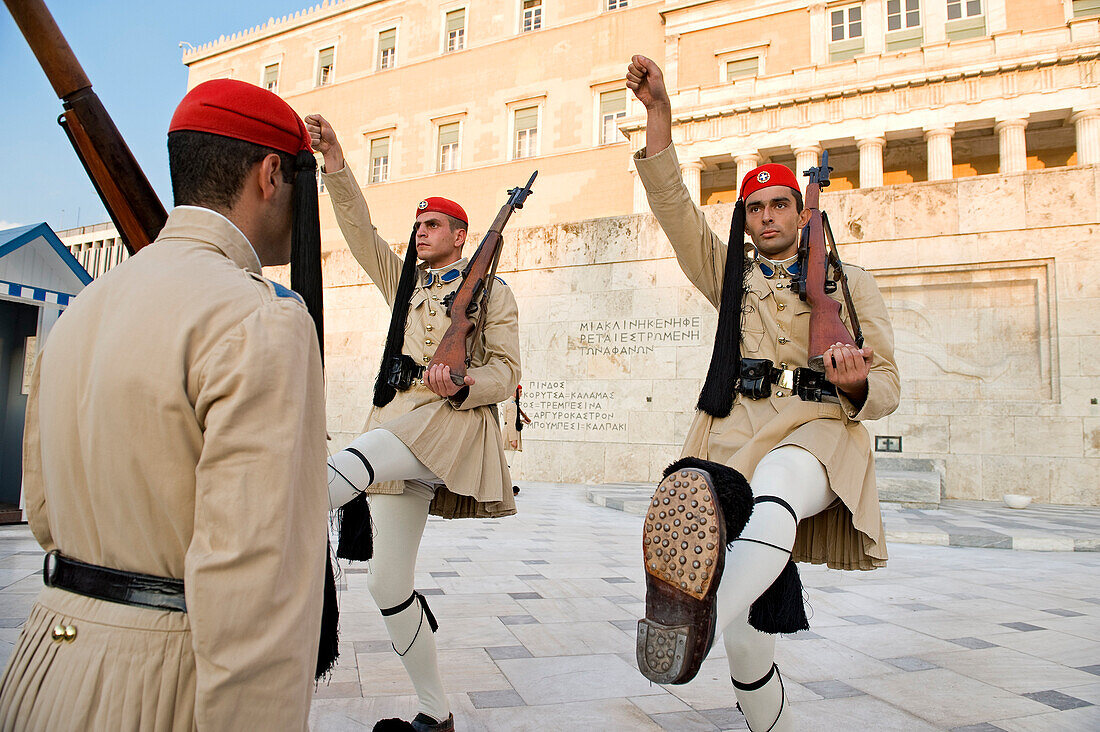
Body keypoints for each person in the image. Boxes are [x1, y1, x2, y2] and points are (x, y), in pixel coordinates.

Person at [0, 79, 329, 731]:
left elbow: (41, 512)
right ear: (271, 174)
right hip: (167, 687)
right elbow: (252, 589)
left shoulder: (84, 307)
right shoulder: (261, 320)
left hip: (44, 668)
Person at [626, 55, 900, 731]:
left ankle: (697, 616)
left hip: (819, 431)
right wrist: (660, 113)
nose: (770, 214)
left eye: (782, 203)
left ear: (801, 214)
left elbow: (889, 385)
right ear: (746, 218)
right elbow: (672, 208)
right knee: (750, 646)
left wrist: (856, 380)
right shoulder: (730, 279)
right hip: (733, 433)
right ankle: (752, 685)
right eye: (757, 206)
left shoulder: (851, 282)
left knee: (777, 485)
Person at [306, 114, 521, 732]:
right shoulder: (406, 283)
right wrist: (338, 162)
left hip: (447, 427)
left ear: (461, 235)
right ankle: (437, 713)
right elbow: (358, 231)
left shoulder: (492, 293)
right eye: (419, 224)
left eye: (433, 226)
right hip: (400, 418)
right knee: (387, 585)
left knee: (336, 474)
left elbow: (506, 372)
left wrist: (462, 380)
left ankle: (242, 572)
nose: (421, 233)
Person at [501, 385, 531, 496]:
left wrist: (522, 421)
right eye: (520, 392)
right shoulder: (512, 405)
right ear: (515, 392)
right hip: (509, 436)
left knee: (506, 464)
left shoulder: (510, 403)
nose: (521, 394)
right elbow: (510, 423)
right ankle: (505, 489)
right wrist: (513, 439)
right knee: (507, 464)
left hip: (507, 434)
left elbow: (511, 421)